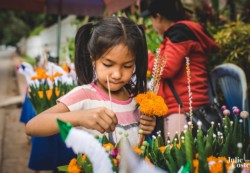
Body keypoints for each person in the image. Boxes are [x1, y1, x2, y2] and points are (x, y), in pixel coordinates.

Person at [26, 16, 156, 146]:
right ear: (93, 58)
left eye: (127, 66)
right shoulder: (84, 95)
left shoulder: (137, 98)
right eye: (108, 64)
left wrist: (147, 126)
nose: (117, 75)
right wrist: (80, 117)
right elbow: (32, 126)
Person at [140, 0, 219, 139]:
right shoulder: (179, 33)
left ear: (158, 17)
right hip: (184, 106)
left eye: (151, 19)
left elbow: (166, 68)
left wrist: (143, 56)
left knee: (179, 157)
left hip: (184, 108)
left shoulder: (179, 33)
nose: (152, 25)